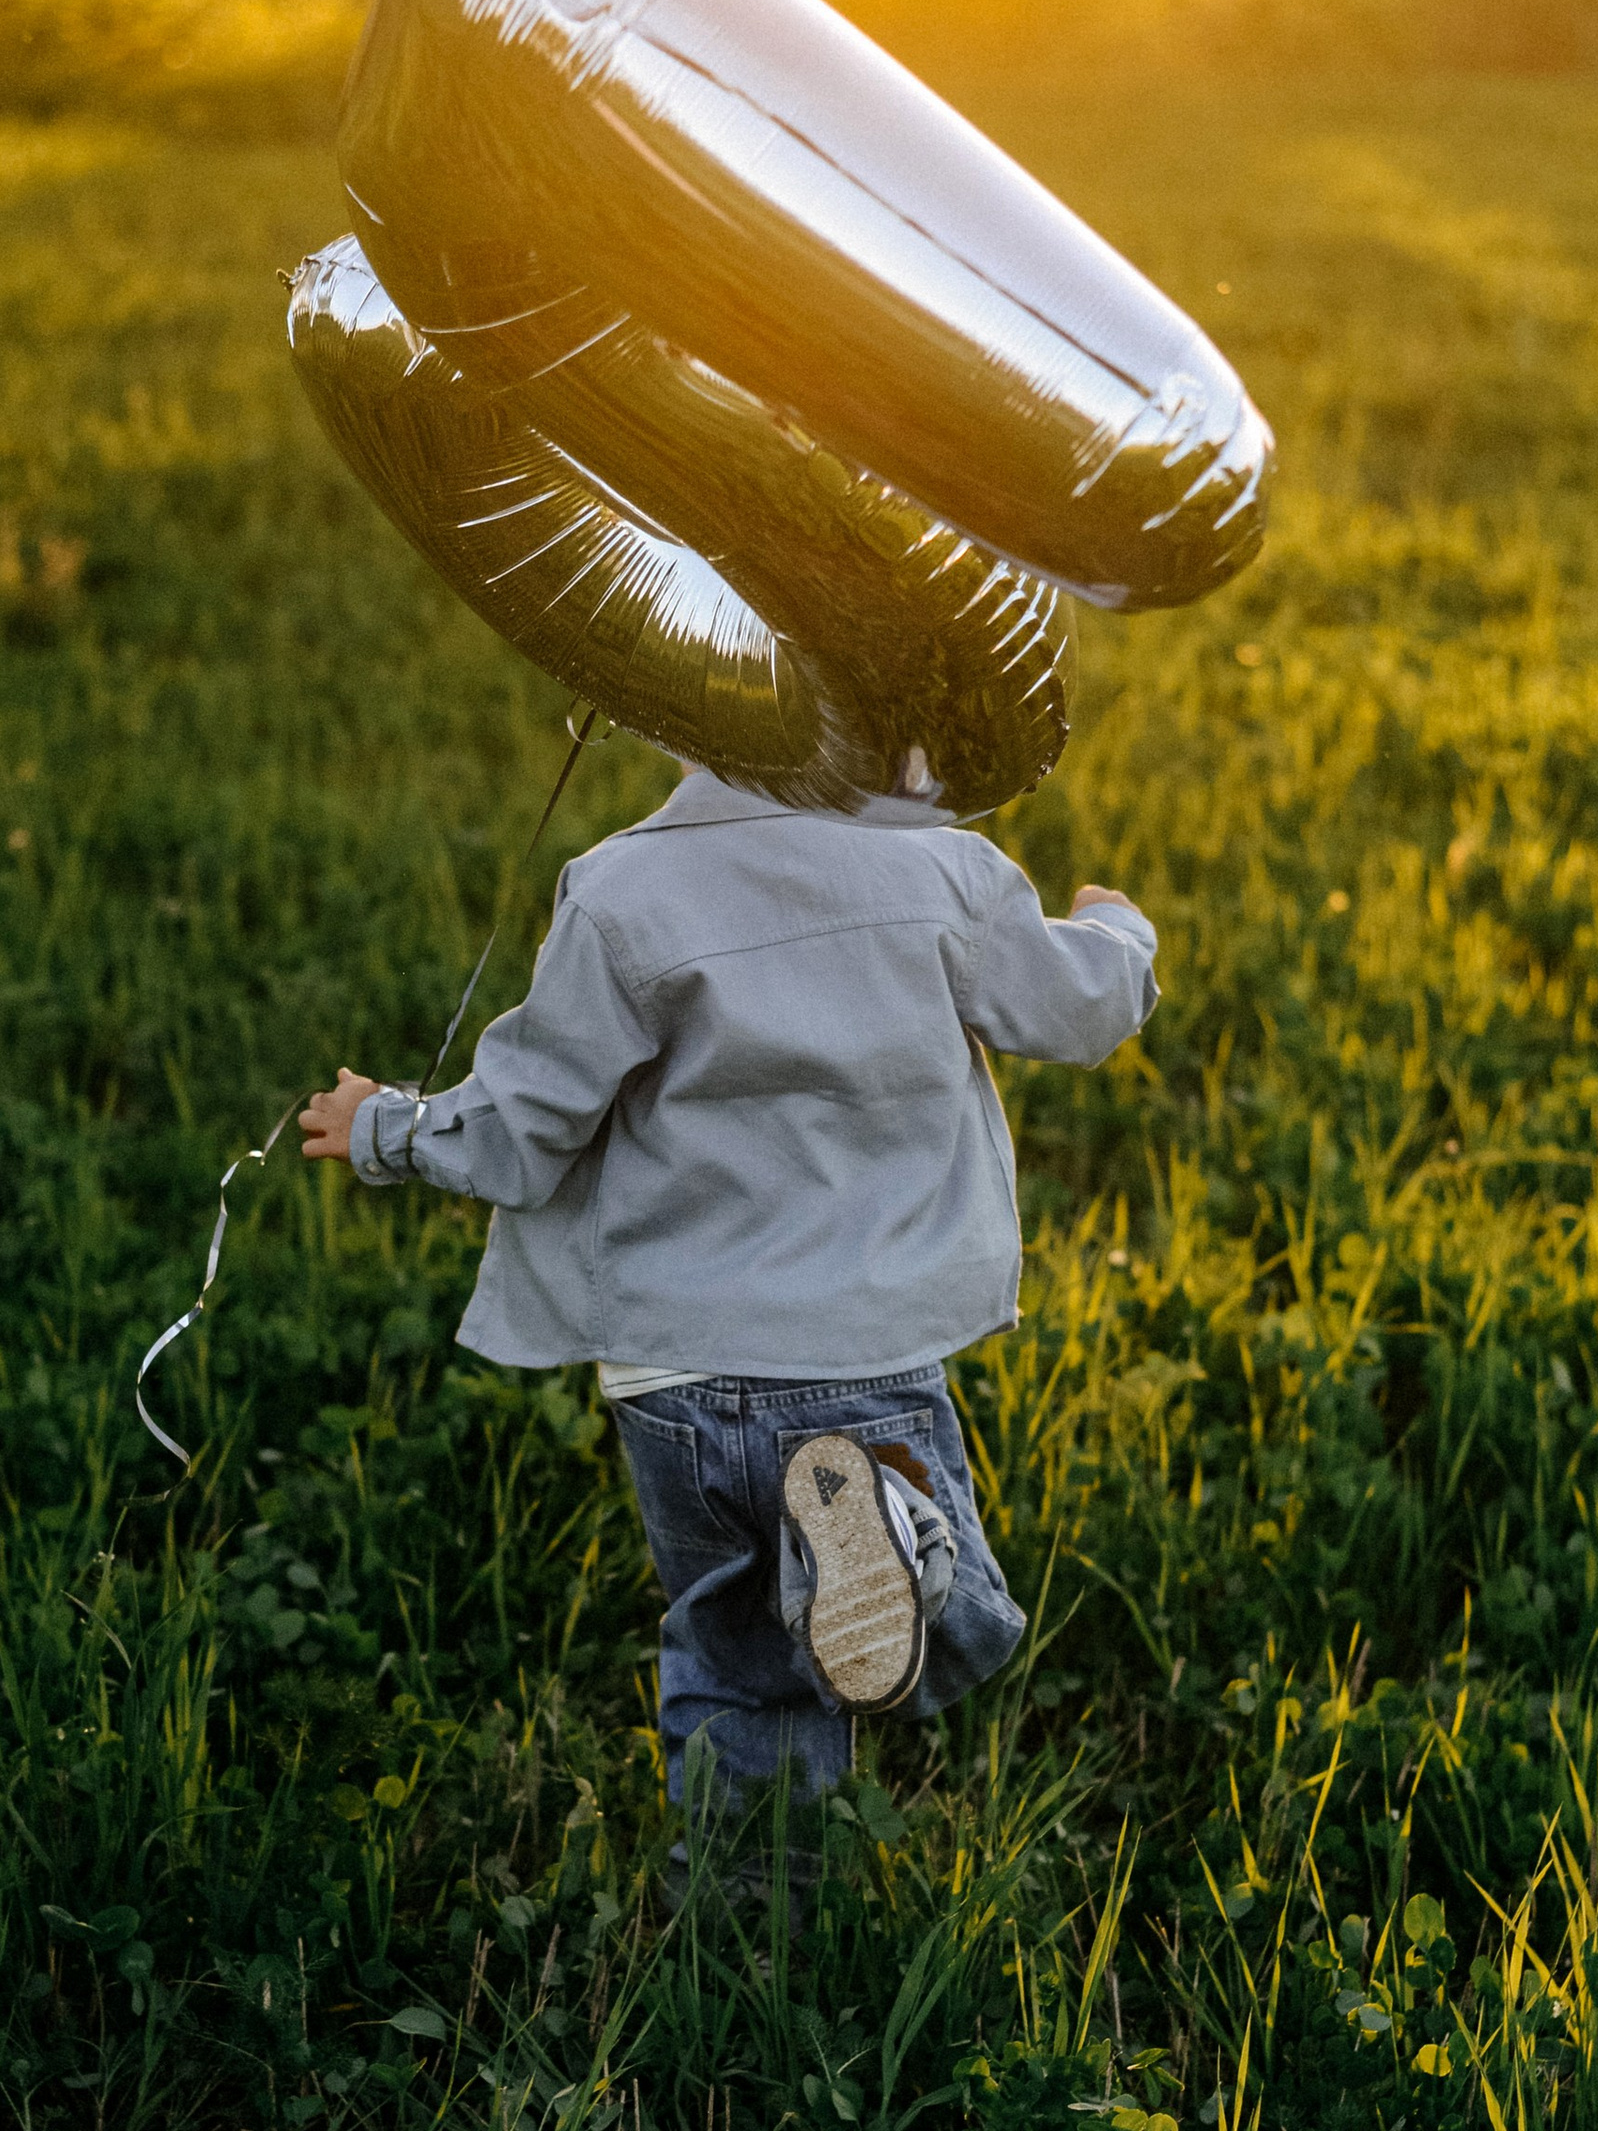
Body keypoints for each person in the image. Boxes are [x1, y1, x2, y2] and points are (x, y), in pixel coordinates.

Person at [299, 751, 1156, 1888]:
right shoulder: (940, 871)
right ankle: (897, 1552)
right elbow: (1081, 1008)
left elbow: (519, 1129)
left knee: (737, 1652)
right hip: (861, 1349)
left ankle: (748, 1917)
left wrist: (385, 1126)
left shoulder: (622, 893)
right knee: (919, 1614)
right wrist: (1115, 929)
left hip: (679, 1369)